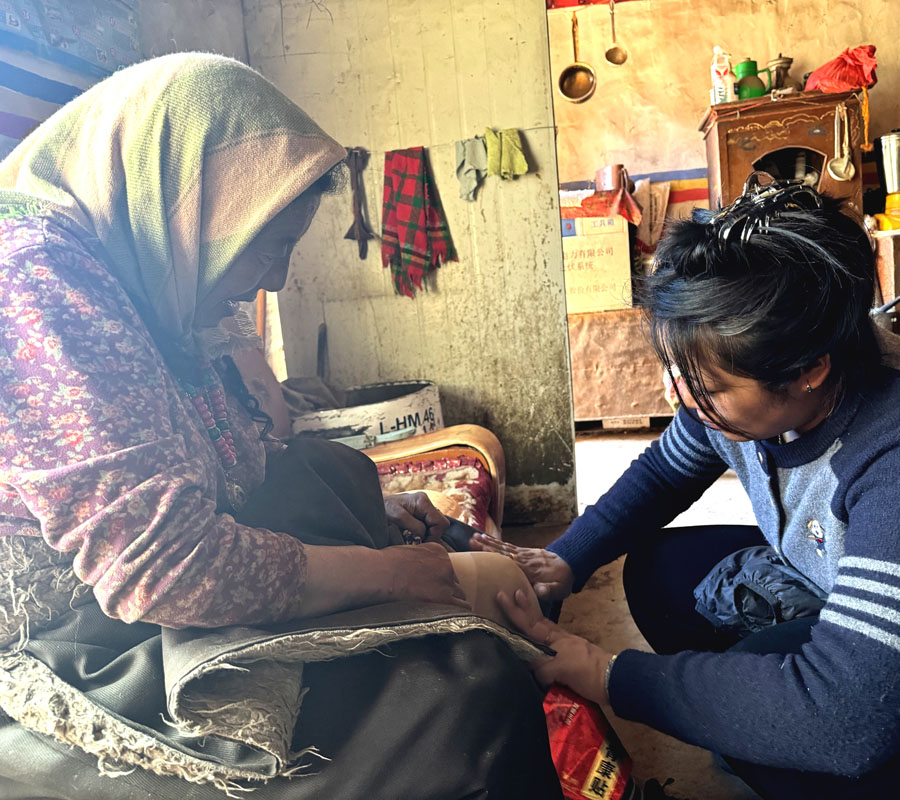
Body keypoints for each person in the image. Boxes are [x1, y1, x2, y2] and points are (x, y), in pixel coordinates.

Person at [0, 53, 561, 799]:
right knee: (467, 698)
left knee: (335, 472)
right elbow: (163, 570)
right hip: (71, 631)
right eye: (268, 248)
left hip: (154, 572)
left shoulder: (140, 266)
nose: (275, 280)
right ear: (186, 209)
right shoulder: (35, 276)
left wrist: (382, 514)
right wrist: (399, 573)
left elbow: (235, 455)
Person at [476, 176, 900, 799]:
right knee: (660, 573)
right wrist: (567, 559)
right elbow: (663, 474)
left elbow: (844, 719)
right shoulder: (746, 367)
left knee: (798, 726)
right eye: (675, 369)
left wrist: (608, 675)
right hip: (853, 589)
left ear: (810, 369)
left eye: (706, 385)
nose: (679, 394)